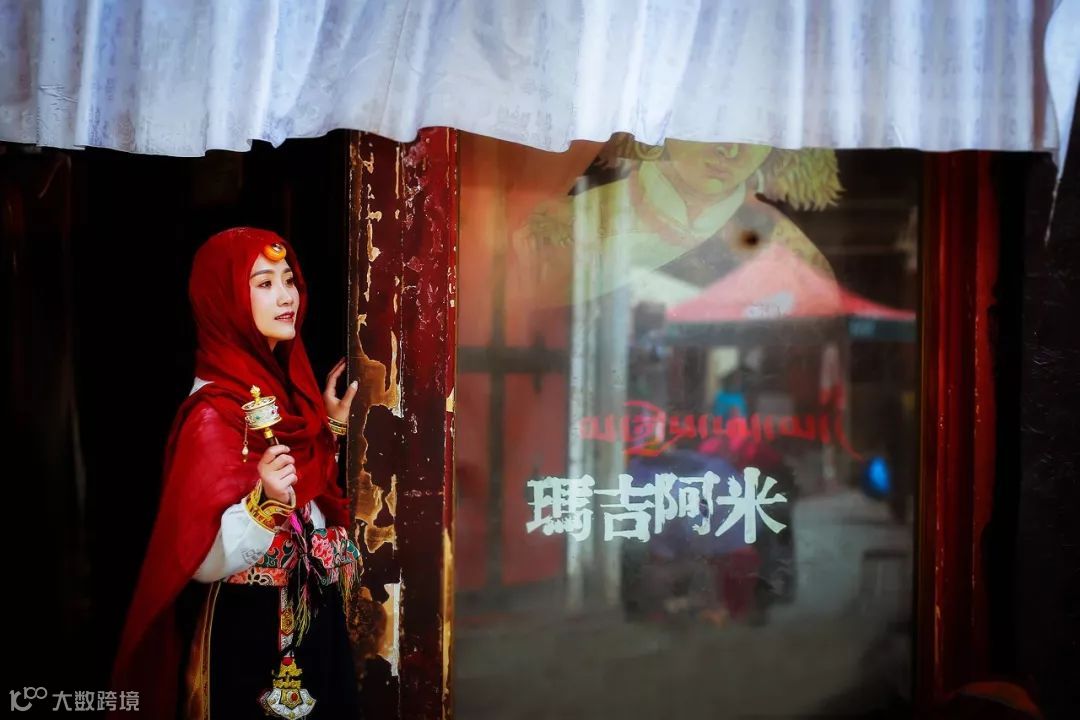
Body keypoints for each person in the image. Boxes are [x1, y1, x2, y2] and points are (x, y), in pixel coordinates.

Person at [110, 227, 361, 719]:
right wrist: (264, 503)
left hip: (312, 615)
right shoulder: (213, 414)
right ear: (223, 301)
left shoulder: (287, 393)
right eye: (264, 283)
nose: (286, 296)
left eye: (289, 280)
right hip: (251, 627)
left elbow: (304, 492)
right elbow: (199, 559)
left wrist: (328, 429)